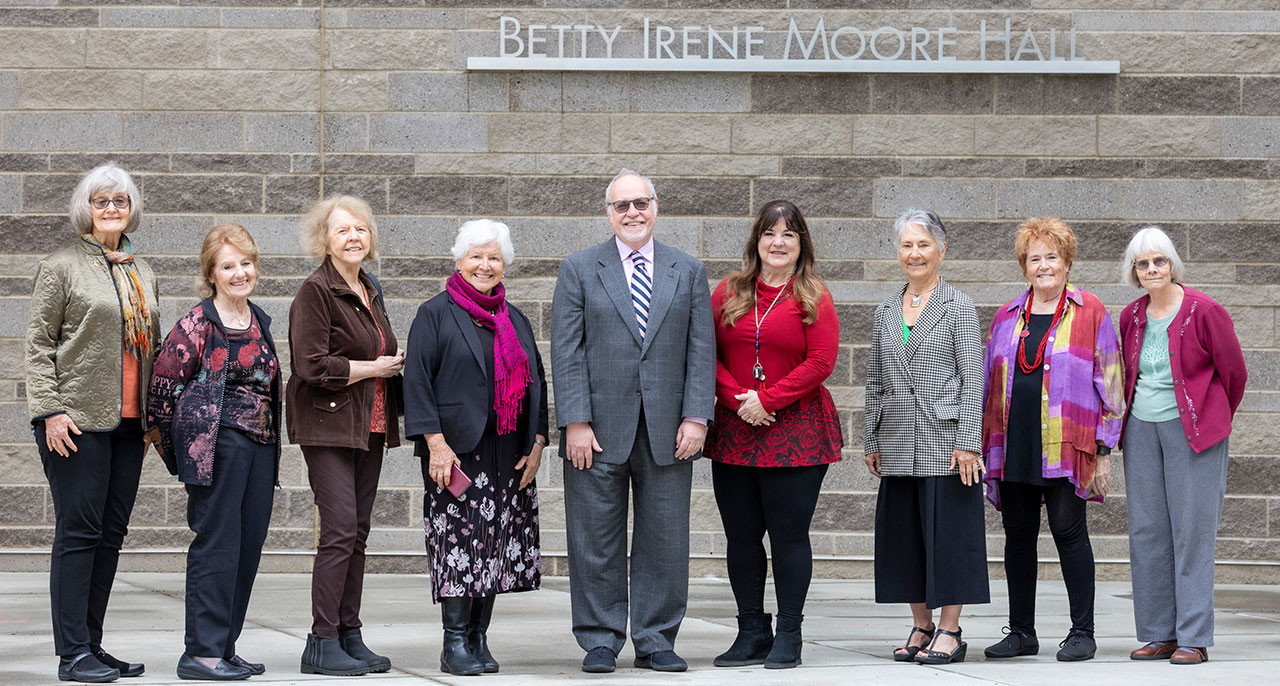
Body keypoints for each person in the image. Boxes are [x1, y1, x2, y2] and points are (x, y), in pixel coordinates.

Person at [550, 169, 715, 674]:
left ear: (656, 207)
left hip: (670, 430)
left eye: (640, 203)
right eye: (622, 206)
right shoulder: (579, 268)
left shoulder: (687, 270)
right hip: (596, 431)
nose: (632, 213)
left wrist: (697, 417)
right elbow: (567, 350)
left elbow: (700, 350)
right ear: (608, 213)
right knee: (594, 539)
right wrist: (574, 421)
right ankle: (600, 638)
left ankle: (656, 638)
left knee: (665, 540)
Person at [26, 161, 159, 683]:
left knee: (110, 534)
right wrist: (50, 410)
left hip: (129, 425)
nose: (111, 209)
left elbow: (150, 347)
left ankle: (93, 645)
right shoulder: (61, 265)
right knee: (79, 532)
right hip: (75, 419)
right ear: (87, 208)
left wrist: (151, 419)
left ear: (131, 211)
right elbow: (38, 346)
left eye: (120, 202)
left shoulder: (140, 270)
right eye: (102, 201)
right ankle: (71, 653)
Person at [403, 219, 548, 675]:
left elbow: (539, 384)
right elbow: (418, 381)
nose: (485, 265)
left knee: (496, 543)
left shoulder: (515, 318)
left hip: (508, 454)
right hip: (457, 453)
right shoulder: (435, 312)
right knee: (458, 543)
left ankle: (479, 639)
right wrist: (435, 443)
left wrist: (539, 442)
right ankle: (454, 644)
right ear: (459, 259)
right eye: (477, 256)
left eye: (494, 257)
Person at [703, 200, 842, 670]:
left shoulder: (814, 296)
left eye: (788, 234)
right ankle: (750, 632)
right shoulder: (728, 291)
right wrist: (740, 400)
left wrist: (768, 400)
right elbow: (706, 355)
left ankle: (789, 632)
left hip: (797, 431)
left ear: (801, 243)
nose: (778, 242)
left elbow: (821, 362)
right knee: (741, 537)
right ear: (756, 241)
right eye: (769, 233)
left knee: (788, 535)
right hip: (736, 430)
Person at [979, 217, 1125, 663]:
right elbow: (988, 382)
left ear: (1066, 262)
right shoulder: (1006, 316)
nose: (1044, 266)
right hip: (1014, 442)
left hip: (1066, 443)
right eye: (1035, 258)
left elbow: (1113, 384)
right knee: (1017, 537)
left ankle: (1083, 631)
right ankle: (1022, 632)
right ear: (1025, 266)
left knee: (1069, 532)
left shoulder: (1091, 311)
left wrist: (1104, 450)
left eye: (1052, 257)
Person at [147, 224, 280, 681]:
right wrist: (183, 457)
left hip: (261, 446)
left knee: (248, 547)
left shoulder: (260, 318)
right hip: (218, 447)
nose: (239, 272)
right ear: (212, 273)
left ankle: (225, 646)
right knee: (216, 546)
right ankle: (201, 653)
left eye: (246, 263)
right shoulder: (196, 323)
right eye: (228, 266)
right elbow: (162, 395)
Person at [863, 208, 988, 665]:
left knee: (951, 537)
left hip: (948, 441)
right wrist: (871, 438)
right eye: (906, 245)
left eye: (923, 244)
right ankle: (922, 623)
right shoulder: (885, 310)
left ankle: (951, 630)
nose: (914, 254)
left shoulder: (958, 306)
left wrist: (969, 441)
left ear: (941, 250)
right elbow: (875, 378)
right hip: (897, 440)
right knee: (905, 538)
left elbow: (974, 379)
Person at [287, 196, 405, 677]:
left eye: (361, 229)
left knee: (357, 532)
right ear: (324, 240)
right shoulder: (315, 291)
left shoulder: (369, 288)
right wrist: (373, 368)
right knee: (338, 531)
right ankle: (321, 640)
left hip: (370, 425)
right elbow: (310, 365)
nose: (354, 237)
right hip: (329, 426)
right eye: (342, 231)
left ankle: (349, 632)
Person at [1118, 226, 1246, 666]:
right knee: (1147, 531)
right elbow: (1125, 373)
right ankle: (1158, 633)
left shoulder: (1205, 311)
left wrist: (1210, 417)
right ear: (1134, 272)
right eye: (1142, 264)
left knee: (1192, 532)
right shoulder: (1131, 316)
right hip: (1140, 430)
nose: (1152, 270)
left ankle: (1193, 636)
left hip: (1193, 433)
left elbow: (1234, 374)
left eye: (1159, 261)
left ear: (1172, 264)